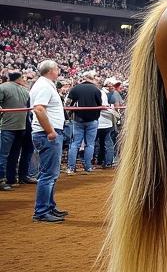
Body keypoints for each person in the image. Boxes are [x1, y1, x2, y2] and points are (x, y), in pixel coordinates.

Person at [29, 60, 67, 223]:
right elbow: (39, 108)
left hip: (46, 133)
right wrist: (50, 130)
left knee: (51, 173)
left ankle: (49, 206)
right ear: (51, 70)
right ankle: (42, 211)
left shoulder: (44, 84)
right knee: (48, 174)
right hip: (47, 134)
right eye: (57, 68)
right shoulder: (44, 86)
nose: (58, 70)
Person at [66, 69, 103, 174]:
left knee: (75, 143)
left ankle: (71, 167)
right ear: (91, 79)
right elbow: (99, 104)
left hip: (78, 119)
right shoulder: (96, 90)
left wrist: (69, 115)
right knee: (90, 144)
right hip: (92, 119)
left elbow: (68, 103)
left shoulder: (75, 89)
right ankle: (88, 167)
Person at [0, 70, 31, 190]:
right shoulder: (25, 90)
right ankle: (11, 178)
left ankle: (2, 180)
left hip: (8, 125)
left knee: (4, 154)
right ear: (19, 79)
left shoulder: (3, 87)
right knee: (14, 154)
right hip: (21, 125)